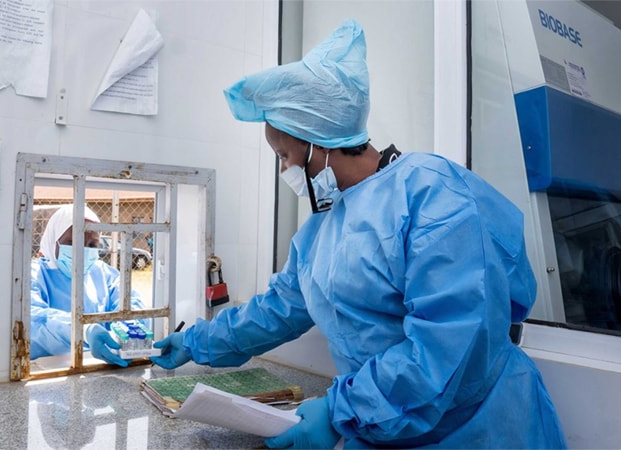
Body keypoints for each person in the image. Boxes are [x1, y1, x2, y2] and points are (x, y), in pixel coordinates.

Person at [151, 19, 567, 449]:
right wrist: (194, 341)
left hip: (477, 427)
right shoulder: (322, 230)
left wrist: (338, 412)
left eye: (284, 155)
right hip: (383, 424)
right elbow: (277, 309)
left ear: (316, 143)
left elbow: (449, 344)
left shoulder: (434, 195)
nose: (284, 171)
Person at [31, 204, 147, 367]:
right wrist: (82, 331)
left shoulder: (105, 274)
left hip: (100, 365)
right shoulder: (35, 275)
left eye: (92, 245)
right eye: (73, 242)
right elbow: (33, 320)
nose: (83, 251)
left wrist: (131, 333)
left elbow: (131, 305)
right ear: (53, 240)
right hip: (45, 371)